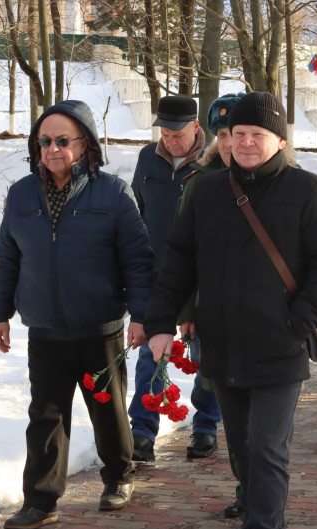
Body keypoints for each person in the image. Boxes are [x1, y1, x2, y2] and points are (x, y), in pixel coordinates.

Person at [143, 92, 317, 529]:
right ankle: (255, 518)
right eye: (239, 134)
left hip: (280, 346)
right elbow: (179, 262)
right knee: (240, 447)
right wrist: (159, 322)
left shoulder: (308, 190)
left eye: (258, 134)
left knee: (267, 447)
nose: (246, 142)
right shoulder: (206, 190)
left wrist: (296, 324)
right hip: (223, 345)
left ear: (280, 141)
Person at [0, 100, 154, 529]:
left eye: (62, 140)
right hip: (44, 328)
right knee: (45, 416)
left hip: (99, 327)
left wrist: (141, 316)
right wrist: (0, 313)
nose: (53, 149)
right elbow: (9, 259)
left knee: (107, 410)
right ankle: (40, 501)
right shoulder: (21, 194)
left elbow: (138, 261)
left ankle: (118, 477)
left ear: (85, 144)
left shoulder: (113, 193)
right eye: (44, 141)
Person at [128, 95, 212, 462]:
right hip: (156, 273)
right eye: (164, 133)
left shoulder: (213, 163)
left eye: (177, 134)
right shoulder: (148, 158)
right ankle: (142, 431)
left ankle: (206, 426)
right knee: (151, 352)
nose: (170, 140)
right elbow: (138, 208)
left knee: (204, 355)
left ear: (196, 127)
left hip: (201, 276)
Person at [174, 91, 246, 517]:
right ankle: (205, 428)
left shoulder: (284, 182)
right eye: (223, 134)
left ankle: (255, 493)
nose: (230, 142)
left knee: (256, 414)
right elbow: (183, 255)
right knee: (212, 381)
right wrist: (186, 313)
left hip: (261, 319)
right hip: (210, 311)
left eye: (237, 132)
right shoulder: (199, 183)